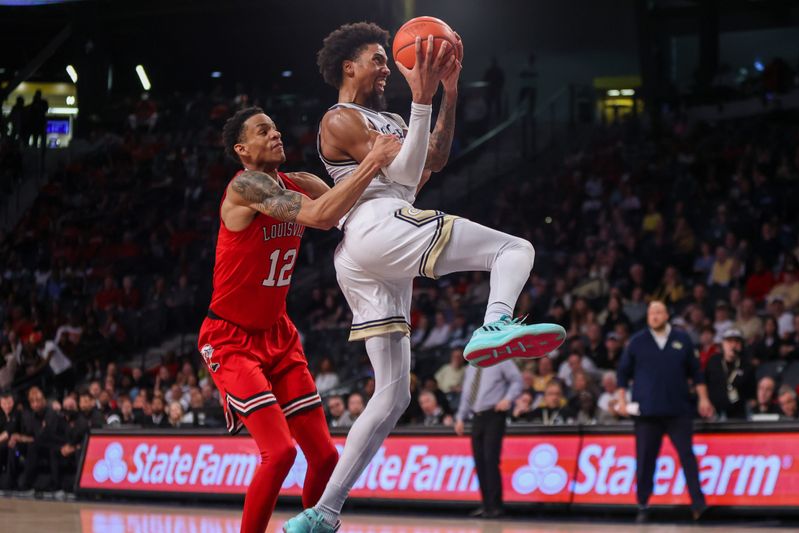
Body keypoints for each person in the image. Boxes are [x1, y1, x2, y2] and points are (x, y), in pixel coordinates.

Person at [285, 23, 565, 532]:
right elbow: (407, 179)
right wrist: (420, 100)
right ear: (348, 66)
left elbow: (431, 159)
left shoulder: (389, 116)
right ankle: (495, 323)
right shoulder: (339, 118)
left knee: (392, 396)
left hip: (365, 252)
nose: (387, 64)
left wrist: (447, 96)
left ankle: (321, 515)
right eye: (377, 57)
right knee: (514, 248)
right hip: (376, 223)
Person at [197, 103, 400, 533]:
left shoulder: (301, 181)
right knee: (280, 451)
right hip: (230, 337)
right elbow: (320, 216)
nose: (276, 134)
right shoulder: (246, 187)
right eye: (262, 130)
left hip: (279, 334)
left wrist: (407, 154)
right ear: (242, 149)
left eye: (275, 126)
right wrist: (373, 159)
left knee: (326, 456)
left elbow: (349, 203)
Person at [616, 301, 713, 523]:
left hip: (678, 410)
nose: (654, 316)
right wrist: (622, 402)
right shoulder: (637, 342)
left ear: (667, 315)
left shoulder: (683, 339)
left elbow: (697, 374)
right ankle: (643, 504)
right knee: (645, 461)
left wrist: (704, 399)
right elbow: (622, 374)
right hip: (647, 413)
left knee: (688, 457)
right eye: (651, 313)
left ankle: (698, 505)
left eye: (659, 312)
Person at [454, 360, 522, 519]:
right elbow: (467, 393)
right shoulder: (472, 365)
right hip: (476, 417)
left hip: (494, 414)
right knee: (480, 461)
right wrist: (460, 417)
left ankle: (496, 506)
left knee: (490, 460)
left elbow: (517, 380)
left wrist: (508, 398)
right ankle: (486, 505)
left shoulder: (502, 360)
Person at [705, 328, 755, 420]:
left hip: (739, 414)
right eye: (729, 341)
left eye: (736, 341)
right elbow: (705, 383)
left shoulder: (746, 365)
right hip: (715, 412)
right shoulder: (714, 361)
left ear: (741, 345)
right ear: (723, 344)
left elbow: (752, 392)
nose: (733, 345)